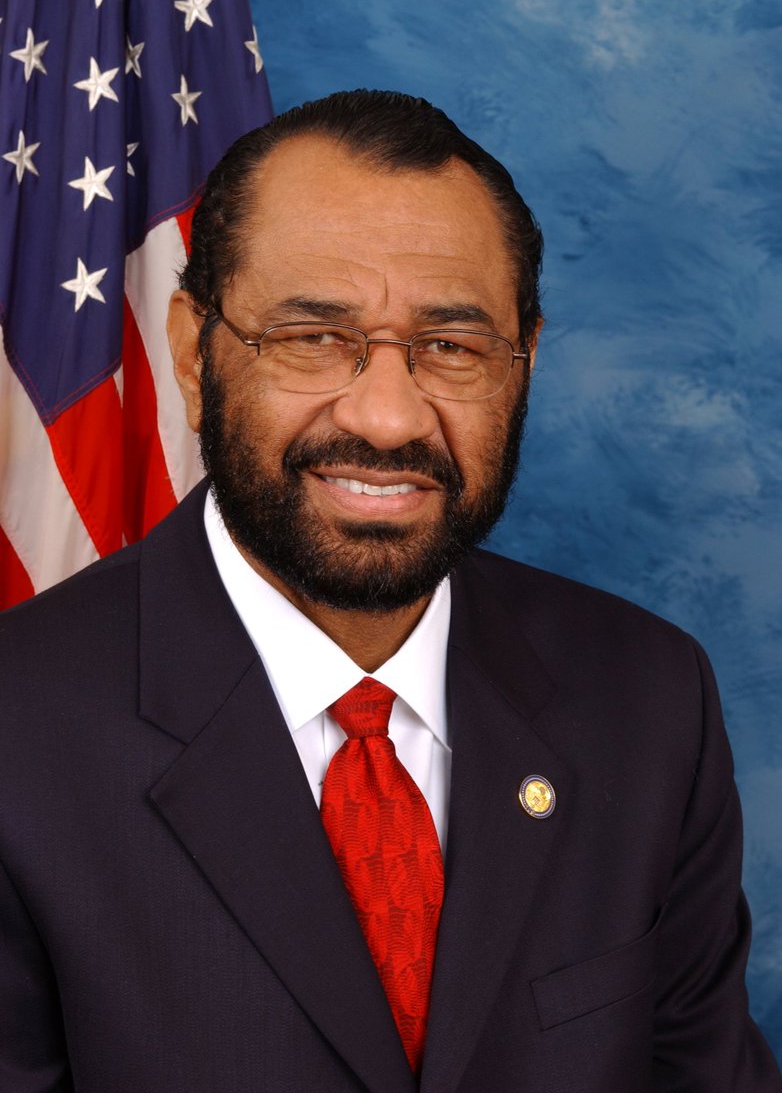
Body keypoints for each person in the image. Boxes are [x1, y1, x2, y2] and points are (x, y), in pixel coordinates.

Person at [0, 90, 778, 1093]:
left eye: (449, 347)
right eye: (313, 337)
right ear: (192, 355)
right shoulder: (18, 736)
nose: (386, 417)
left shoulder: (650, 698)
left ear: (522, 363)